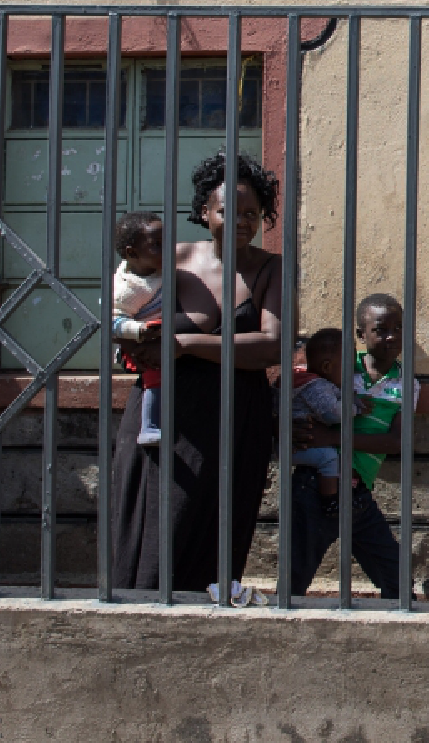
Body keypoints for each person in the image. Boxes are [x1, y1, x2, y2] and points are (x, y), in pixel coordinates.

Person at [108, 151, 284, 600]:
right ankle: (131, 618)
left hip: (234, 418)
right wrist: (134, 342)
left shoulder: (271, 270)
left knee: (212, 536)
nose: (241, 222)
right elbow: (120, 314)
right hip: (162, 412)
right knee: (147, 525)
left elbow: (270, 346)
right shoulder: (171, 259)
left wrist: (183, 344)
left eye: (252, 213)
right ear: (205, 211)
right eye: (227, 211)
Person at [285, 293, 409, 601]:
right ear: (361, 335)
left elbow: (397, 441)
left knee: (397, 580)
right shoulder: (338, 363)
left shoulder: (406, 383)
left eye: (399, 328)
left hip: (356, 492)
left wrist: (333, 438)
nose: (392, 336)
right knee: (294, 580)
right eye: (381, 329)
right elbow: (297, 397)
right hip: (312, 488)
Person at [109, 211, 166, 446]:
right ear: (132, 254)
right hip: (142, 342)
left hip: (164, 332)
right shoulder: (127, 290)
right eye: (158, 245)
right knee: (155, 375)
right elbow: (113, 322)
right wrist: (139, 330)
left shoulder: (159, 267)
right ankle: (150, 426)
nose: (168, 249)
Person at [283, 327, 353, 518]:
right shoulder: (316, 386)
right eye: (348, 366)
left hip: (292, 443)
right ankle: (329, 500)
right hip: (297, 444)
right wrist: (353, 408)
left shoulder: (305, 380)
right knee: (329, 457)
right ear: (327, 367)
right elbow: (331, 414)